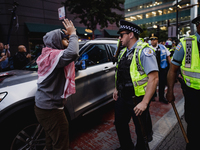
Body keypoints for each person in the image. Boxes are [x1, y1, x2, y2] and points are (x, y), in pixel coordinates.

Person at [113, 20, 159, 150]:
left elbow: (154, 78)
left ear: (131, 35)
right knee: (120, 123)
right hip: (123, 96)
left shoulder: (144, 51)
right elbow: (119, 72)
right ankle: (126, 146)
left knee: (141, 130)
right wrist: (116, 89)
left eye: (122, 35)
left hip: (137, 98)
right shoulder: (123, 52)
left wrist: (144, 103)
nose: (120, 38)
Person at [34, 19, 79, 150]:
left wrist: (70, 36)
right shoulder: (55, 56)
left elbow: (72, 52)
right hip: (50, 110)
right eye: (64, 39)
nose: (67, 42)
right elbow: (73, 52)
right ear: (56, 42)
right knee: (61, 142)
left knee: (51, 140)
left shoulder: (47, 55)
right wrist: (73, 34)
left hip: (43, 107)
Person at [166, 16, 200, 150]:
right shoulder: (186, 43)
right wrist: (169, 91)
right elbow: (173, 69)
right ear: (198, 26)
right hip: (193, 94)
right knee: (193, 126)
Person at [150, 33, 171, 104]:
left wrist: (171, 67)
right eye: (151, 40)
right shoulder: (148, 48)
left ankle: (161, 97)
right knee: (152, 83)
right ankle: (152, 95)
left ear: (157, 40)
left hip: (162, 68)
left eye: (154, 39)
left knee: (162, 83)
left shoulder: (162, 47)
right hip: (152, 69)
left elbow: (168, 56)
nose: (152, 41)